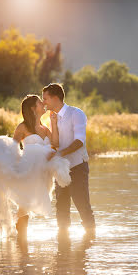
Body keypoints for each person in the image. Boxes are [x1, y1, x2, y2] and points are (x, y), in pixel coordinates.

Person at [0, 94, 71, 238]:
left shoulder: (45, 128)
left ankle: (20, 244)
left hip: (42, 173)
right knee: (25, 203)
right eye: (39, 103)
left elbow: (55, 144)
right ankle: (20, 241)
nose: (43, 104)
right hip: (28, 169)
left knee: (27, 205)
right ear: (33, 108)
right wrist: (9, 164)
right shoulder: (23, 127)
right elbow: (13, 147)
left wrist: (54, 124)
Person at [42, 83, 96, 235]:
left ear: (55, 98)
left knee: (82, 205)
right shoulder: (51, 118)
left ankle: (90, 240)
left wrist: (60, 154)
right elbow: (54, 143)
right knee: (61, 207)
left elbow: (80, 141)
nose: (43, 102)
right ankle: (63, 248)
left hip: (78, 166)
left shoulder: (76, 114)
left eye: (45, 99)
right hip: (60, 169)